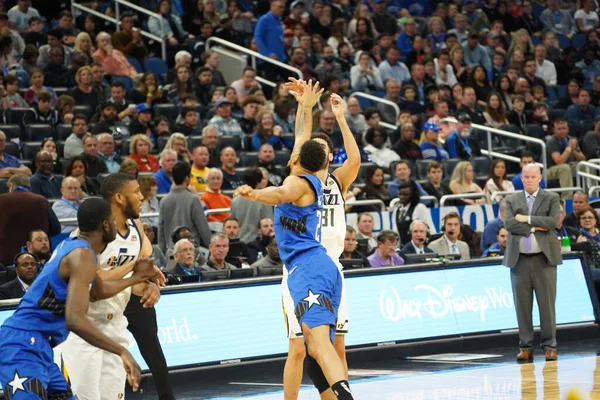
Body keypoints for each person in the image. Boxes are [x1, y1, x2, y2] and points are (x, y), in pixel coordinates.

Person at [0, 198, 156, 399]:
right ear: (106, 225)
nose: (117, 226)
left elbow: (98, 292)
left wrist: (136, 278)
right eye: (113, 221)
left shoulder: (75, 246)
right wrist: (121, 351)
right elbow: (75, 319)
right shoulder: (82, 255)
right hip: (21, 345)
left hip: (40, 345)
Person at [234, 139, 354, 399]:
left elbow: (279, 194)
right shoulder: (314, 179)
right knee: (318, 346)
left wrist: (254, 194)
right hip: (324, 265)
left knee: (319, 346)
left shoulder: (296, 184)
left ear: (296, 160)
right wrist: (305, 107)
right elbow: (302, 134)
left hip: (307, 267)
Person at [279, 82, 360, 399]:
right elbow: (300, 139)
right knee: (298, 347)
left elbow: (354, 159)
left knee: (337, 343)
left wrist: (341, 117)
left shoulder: (338, 182)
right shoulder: (298, 183)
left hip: (331, 269)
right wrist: (306, 107)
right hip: (300, 270)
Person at [59, 174, 169, 400]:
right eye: (136, 191)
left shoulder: (136, 228)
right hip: (83, 328)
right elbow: (95, 284)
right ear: (119, 197)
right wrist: (136, 272)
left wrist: (147, 286)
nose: (142, 196)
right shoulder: (89, 234)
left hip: (115, 325)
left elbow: (128, 279)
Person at [503, 163, 561, 362]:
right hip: (519, 261)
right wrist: (537, 227)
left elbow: (553, 222)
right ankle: (526, 347)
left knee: (547, 306)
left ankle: (550, 347)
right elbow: (509, 224)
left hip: (544, 260)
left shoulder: (552, 198)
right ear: (521, 178)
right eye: (525, 177)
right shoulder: (511, 199)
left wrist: (526, 219)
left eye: (532, 177)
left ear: (540, 178)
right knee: (522, 308)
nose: (529, 180)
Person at [0, 174, 60, 267]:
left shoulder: (1, 200)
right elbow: (56, 228)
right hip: (36, 260)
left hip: (5, 259)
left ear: (11, 186)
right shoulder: (41, 200)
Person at [158, 162, 212, 252]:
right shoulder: (193, 199)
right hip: (191, 250)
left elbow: (161, 229)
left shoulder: (164, 201)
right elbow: (203, 228)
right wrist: (211, 246)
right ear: (187, 178)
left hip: (172, 252)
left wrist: (162, 252)